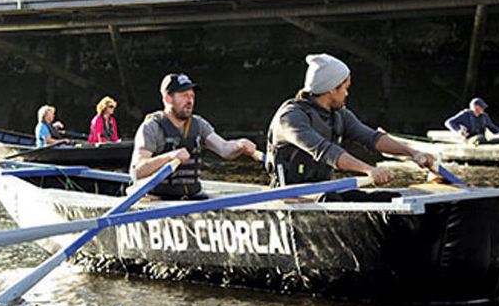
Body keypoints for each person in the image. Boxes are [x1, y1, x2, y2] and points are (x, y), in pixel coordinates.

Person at [265, 54, 435, 192]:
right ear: (331, 89)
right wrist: (370, 170)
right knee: (333, 200)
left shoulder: (339, 114)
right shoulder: (290, 118)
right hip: (289, 195)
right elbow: (326, 151)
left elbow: (372, 138)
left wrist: (413, 153)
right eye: (345, 87)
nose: (347, 93)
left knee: (383, 197)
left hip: (320, 191)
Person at [130, 73, 260, 199]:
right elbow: (137, 171)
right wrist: (170, 156)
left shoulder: (199, 124)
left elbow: (224, 149)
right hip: (160, 200)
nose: (190, 101)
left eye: (192, 96)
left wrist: (240, 145)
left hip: (193, 197)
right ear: (168, 98)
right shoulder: (151, 127)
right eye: (184, 95)